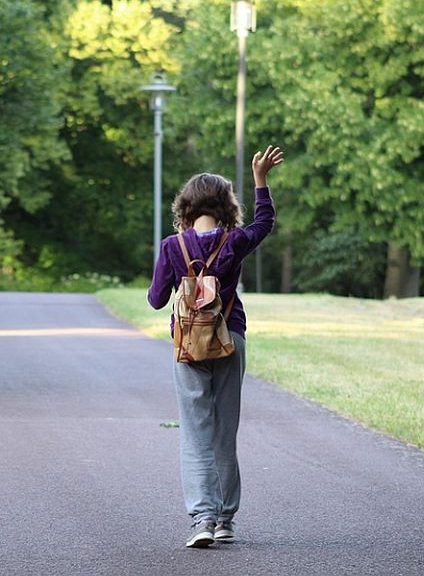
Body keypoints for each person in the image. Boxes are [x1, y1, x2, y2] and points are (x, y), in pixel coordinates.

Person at [147, 145, 283, 548]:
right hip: (230, 340)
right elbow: (265, 223)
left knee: (195, 433)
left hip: (189, 347)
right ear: (226, 206)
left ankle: (203, 519)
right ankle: (226, 519)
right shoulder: (235, 241)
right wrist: (261, 181)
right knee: (225, 430)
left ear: (186, 206)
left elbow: (156, 299)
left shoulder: (173, 246)